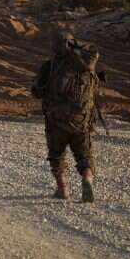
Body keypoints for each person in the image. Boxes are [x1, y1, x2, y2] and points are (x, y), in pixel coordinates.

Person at [31, 30, 100, 203]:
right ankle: (87, 179)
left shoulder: (50, 66)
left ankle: (62, 189)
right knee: (84, 154)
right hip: (82, 119)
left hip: (56, 120)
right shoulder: (86, 65)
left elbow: (37, 92)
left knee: (56, 154)